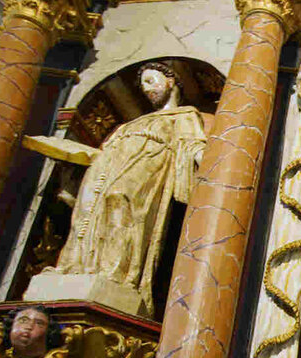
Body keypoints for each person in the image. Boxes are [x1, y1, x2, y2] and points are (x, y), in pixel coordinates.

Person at [26, 61, 207, 315]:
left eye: (151, 81)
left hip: (147, 161)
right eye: (143, 84)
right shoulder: (130, 123)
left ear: (170, 81)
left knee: (121, 202)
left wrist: (209, 167)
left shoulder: (185, 115)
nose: (146, 89)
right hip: (106, 163)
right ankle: (73, 266)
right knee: (87, 210)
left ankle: (118, 275)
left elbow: (193, 144)